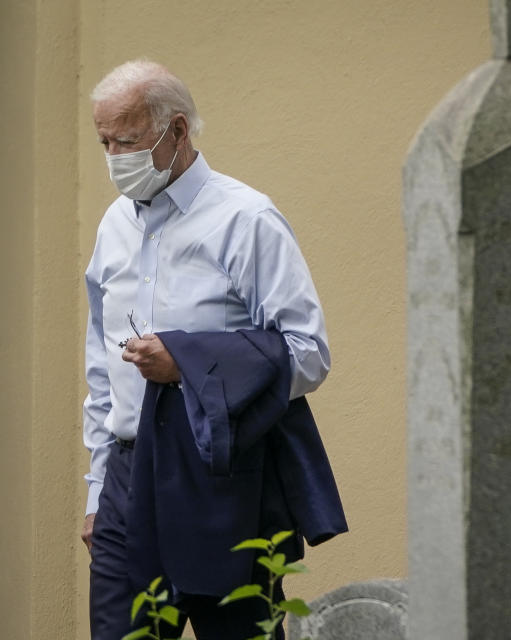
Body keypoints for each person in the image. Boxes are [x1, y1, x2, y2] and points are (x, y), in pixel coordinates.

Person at [82, 59, 346, 639]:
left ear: (177, 132)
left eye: (126, 140)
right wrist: (99, 490)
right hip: (127, 475)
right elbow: (101, 370)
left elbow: (307, 353)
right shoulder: (113, 226)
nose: (113, 158)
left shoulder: (245, 218)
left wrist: (189, 365)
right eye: (104, 141)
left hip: (216, 475)